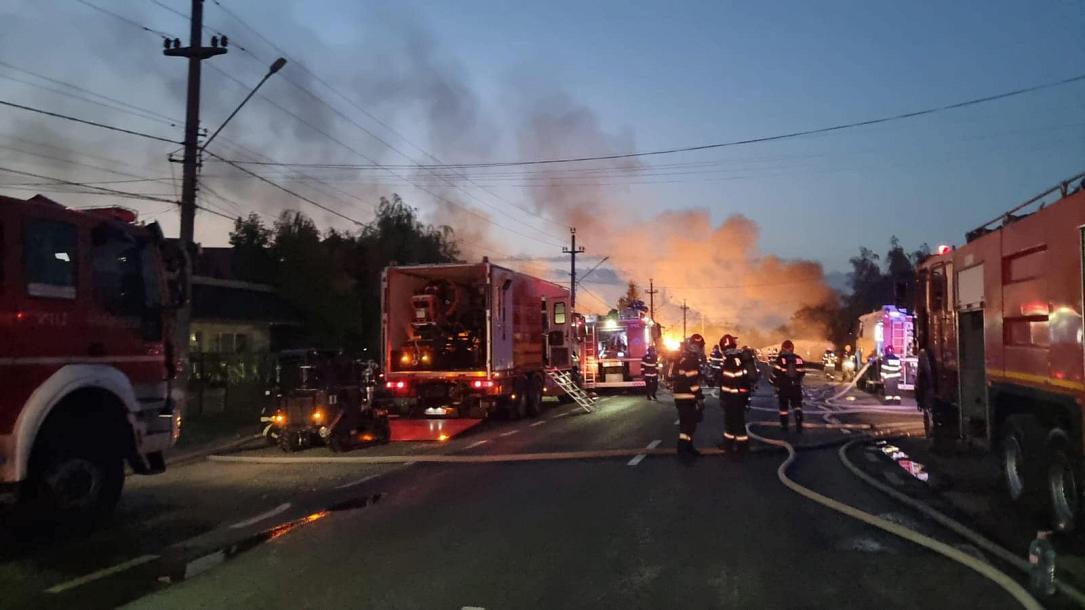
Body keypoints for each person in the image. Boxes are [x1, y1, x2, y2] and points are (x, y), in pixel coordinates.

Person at [669, 334, 706, 457]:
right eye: (701, 347)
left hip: (680, 394)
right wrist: (699, 396)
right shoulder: (692, 359)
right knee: (688, 424)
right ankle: (683, 449)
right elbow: (692, 380)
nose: (702, 350)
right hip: (687, 395)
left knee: (689, 423)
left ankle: (688, 447)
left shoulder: (682, 357)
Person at [717, 334, 754, 453]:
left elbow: (727, 381)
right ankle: (736, 445)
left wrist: (723, 397)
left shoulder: (729, 360)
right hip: (743, 394)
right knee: (738, 420)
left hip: (732, 396)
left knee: (732, 421)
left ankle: (735, 447)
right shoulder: (742, 356)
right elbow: (752, 374)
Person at [771, 339, 806, 433]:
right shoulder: (798, 358)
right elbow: (802, 372)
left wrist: (773, 383)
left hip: (784, 387)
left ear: (783, 348)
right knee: (797, 406)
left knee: (783, 408)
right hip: (796, 387)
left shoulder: (781, 359)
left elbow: (775, 374)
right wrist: (797, 379)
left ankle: (784, 426)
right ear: (792, 348)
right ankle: (799, 424)